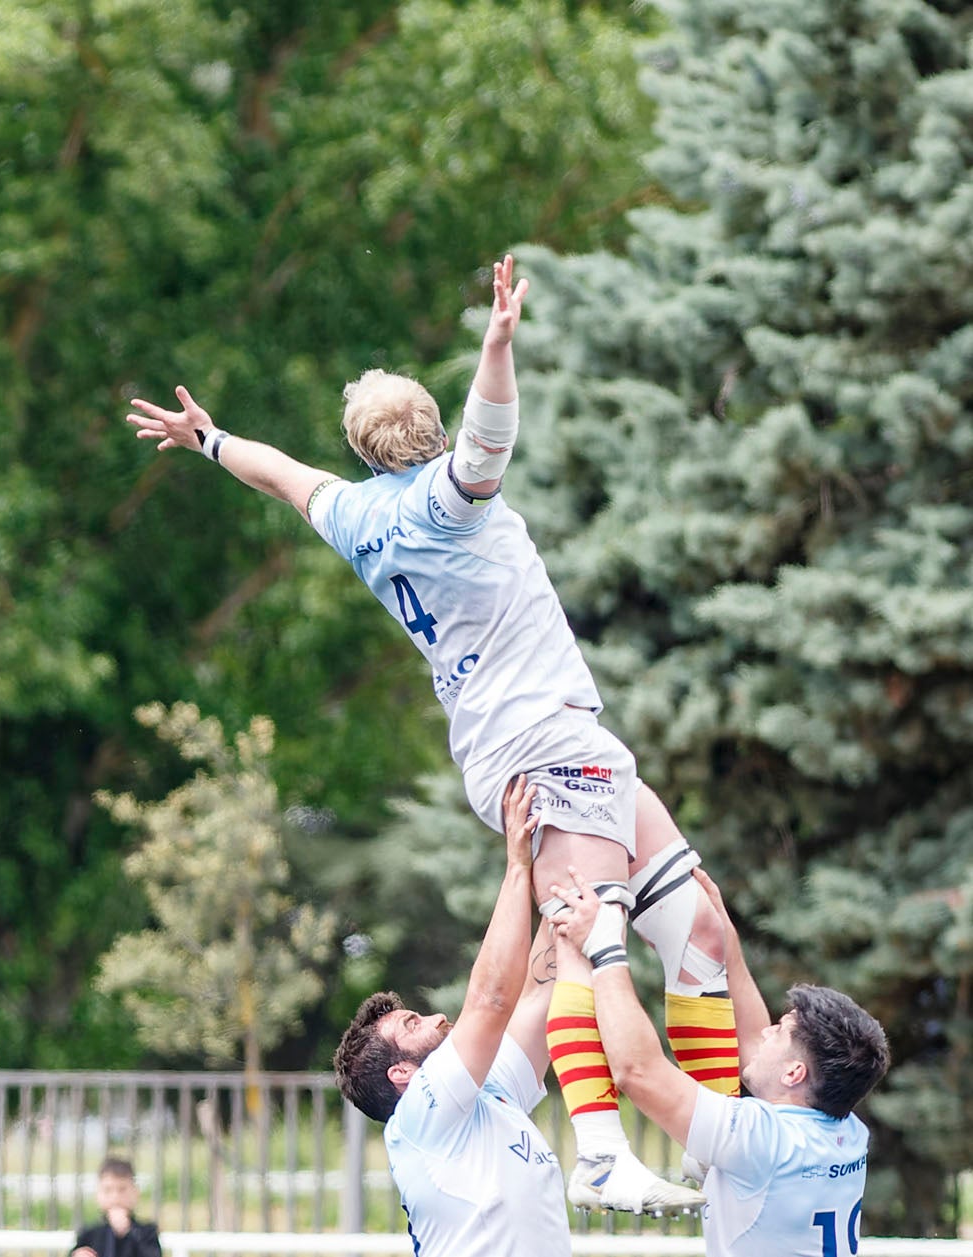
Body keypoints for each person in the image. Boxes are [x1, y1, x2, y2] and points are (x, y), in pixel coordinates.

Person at [128, 256, 717, 1212]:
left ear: (364, 452)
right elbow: (492, 431)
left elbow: (280, 477)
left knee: (699, 924)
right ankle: (604, 1147)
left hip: (531, 736)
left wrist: (208, 439)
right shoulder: (449, 501)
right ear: (431, 435)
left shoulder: (358, 512)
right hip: (538, 740)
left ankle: (709, 1126)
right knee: (584, 937)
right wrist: (497, 342)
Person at [549, 864, 890, 1255]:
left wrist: (604, 948)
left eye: (779, 1031)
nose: (766, 1033)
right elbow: (752, 1045)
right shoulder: (844, 1131)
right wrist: (728, 946)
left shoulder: (762, 1140)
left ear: (795, 1073)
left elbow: (638, 1072)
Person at [333, 775, 573, 1254]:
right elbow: (491, 1001)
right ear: (401, 1073)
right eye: (412, 1024)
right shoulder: (418, 1117)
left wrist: (567, 874)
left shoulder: (487, 1093)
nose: (436, 1017)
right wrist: (517, 865)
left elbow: (534, 997)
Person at [71, 1157, 162, 1257]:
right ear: (98, 1194)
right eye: (108, 1190)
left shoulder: (146, 1233)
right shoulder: (89, 1233)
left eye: (122, 1189)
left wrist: (128, 1233)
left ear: (135, 1192)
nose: (115, 1197)